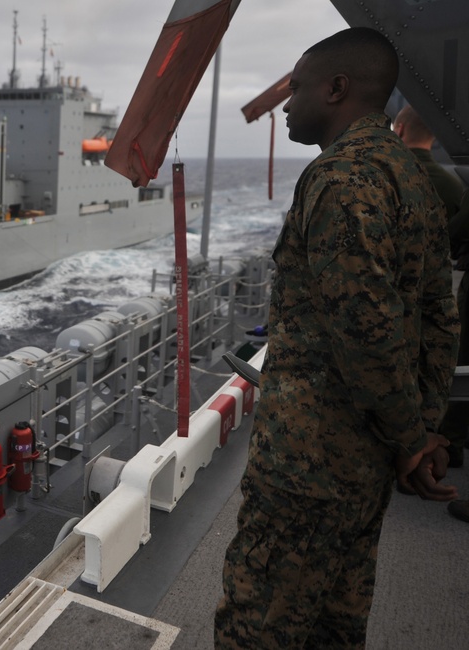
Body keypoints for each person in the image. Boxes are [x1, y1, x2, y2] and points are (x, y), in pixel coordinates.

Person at [214, 27, 460, 649]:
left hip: (309, 462)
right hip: (366, 461)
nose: (288, 104)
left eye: (296, 90)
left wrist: (410, 439)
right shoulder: (411, 177)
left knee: (260, 623)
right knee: (337, 625)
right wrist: (420, 427)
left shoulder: (338, 179)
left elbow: (365, 329)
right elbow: (438, 316)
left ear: (337, 88)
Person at [394, 105, 469, 468]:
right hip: (436, 296)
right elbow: (457, 238)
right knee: (437, 367)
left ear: (399, 127)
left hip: (389, 297)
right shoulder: (452, 184)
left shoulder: (383, 174)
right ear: (435, 135)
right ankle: (440, 444)